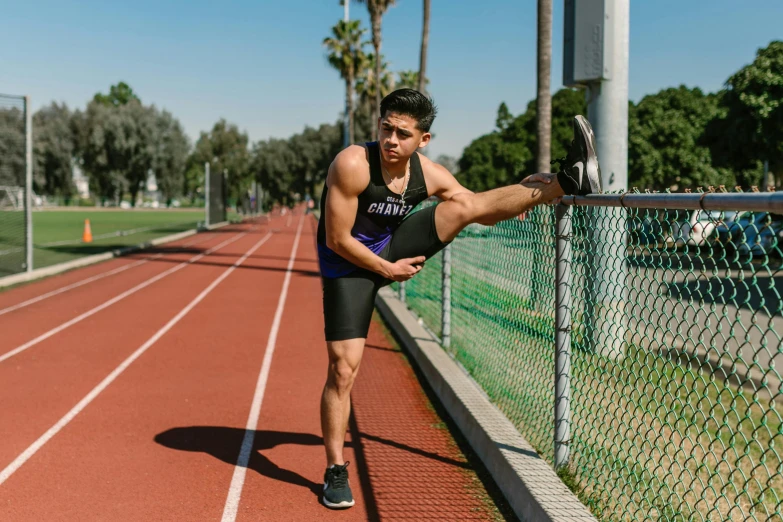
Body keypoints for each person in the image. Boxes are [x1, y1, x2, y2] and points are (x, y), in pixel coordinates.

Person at [316, 88, 600, 509]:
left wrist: (526, 190)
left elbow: (475, 206)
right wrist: (387, 270)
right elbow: (337, 239)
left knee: (462, 206)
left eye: (403, 133)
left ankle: (568, 178)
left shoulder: (428, 173)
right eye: (386, 128)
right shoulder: (353, 163)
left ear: (423, 140)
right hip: (347, 266)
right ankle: (335, 469)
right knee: (343, 369)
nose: (392, 139)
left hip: (391, 249)